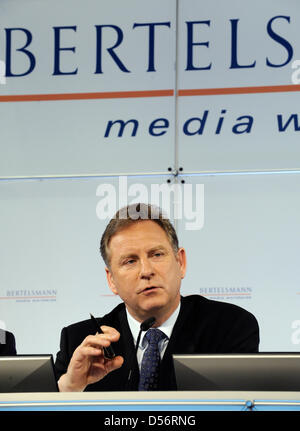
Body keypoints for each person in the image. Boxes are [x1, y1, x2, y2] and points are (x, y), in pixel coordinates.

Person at [55, 203, 259, 392]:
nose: (146, 271)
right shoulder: (80, 343)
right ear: (111, 280)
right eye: (130, 261)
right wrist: (71, 387)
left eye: (157, 255)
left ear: (181, 262)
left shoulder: (230, 327)